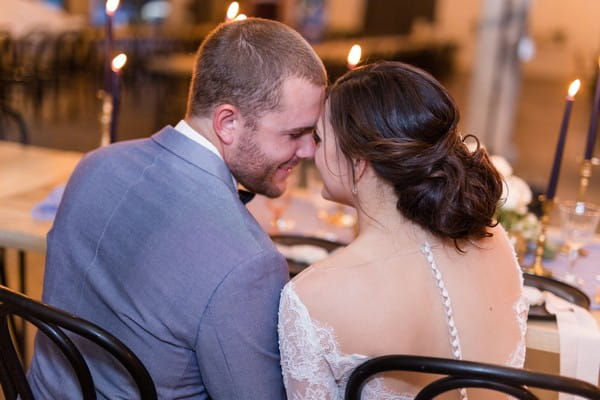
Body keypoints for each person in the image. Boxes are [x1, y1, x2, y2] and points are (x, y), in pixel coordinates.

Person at [28, 18, 326, 399]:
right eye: (294, 134)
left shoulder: (95, 166)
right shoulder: (250, 263)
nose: (308, 151)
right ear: (228, 122)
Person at [278, 61, 528, 400]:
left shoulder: (310, 296)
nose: (309, 151)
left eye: (320, 138)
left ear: (360, 160)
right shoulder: (493, 239)